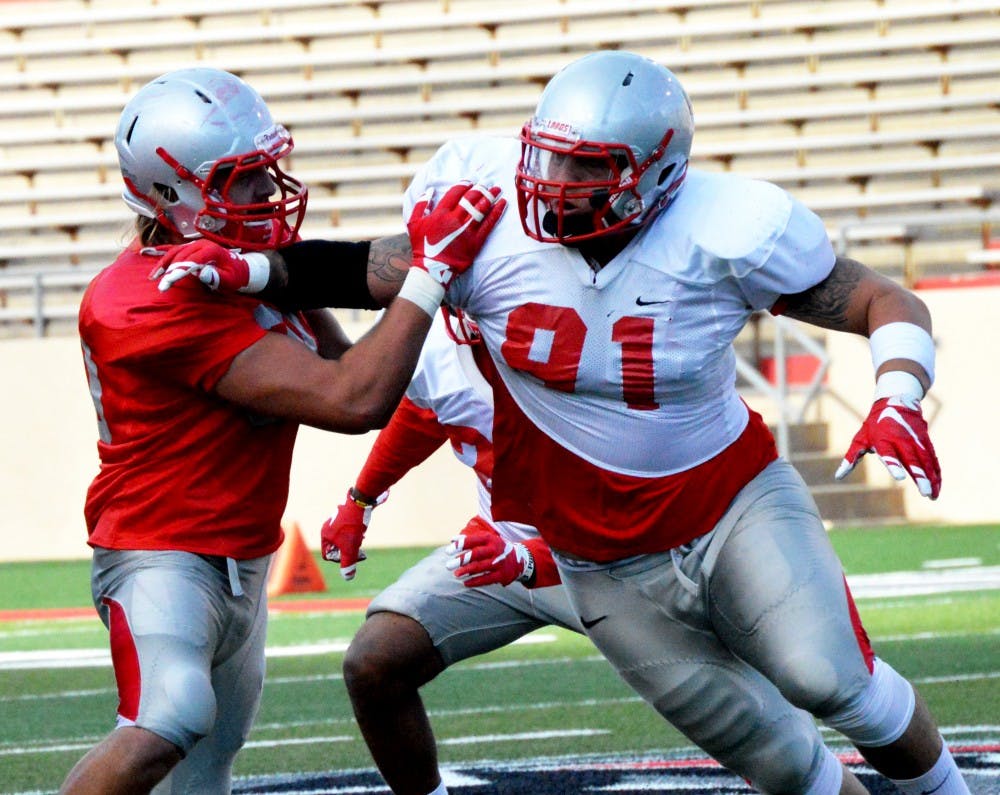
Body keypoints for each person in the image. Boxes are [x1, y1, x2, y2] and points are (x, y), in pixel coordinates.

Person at [166, 51, 966, 795]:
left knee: (831, 679)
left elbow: (880, 300)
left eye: (588, 166)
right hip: (602, 562)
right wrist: (254, 270)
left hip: (733, 503)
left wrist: (897, 394)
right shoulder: (489, 221)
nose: (555, 181)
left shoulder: (726, 229)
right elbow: (363, 267)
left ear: (657, 175)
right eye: (548, 155)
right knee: (788, 765)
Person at [62, 67, 503, 795]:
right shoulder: (148, 299)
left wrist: (463, 237)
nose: (269, 194)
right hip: (160, 555)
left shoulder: (224, 268)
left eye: (269, 173)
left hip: (243, 558)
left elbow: (361, 300)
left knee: (206, 773)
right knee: (162, 720)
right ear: (173, 194)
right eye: (245, 181)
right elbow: (354, 394)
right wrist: (430, 273)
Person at [320, 309, 582, 795]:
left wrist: (529, 560)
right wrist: (361, 499)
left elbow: (634, 494)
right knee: (374, 662)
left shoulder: (586, 330)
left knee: (718, 690)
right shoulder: (437, 339)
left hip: (616, 556)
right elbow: (428, 410)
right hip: (500, 544)